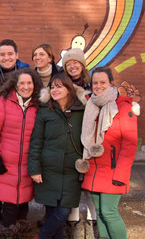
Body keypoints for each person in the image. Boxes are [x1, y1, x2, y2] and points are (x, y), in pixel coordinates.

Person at [77, 67, 138, 239]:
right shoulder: (92, 105)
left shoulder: (123, 108)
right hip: (93, 170)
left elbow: (130, 145)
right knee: (99, 213)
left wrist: (121, 173)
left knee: (109, 212)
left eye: (103, 82)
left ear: (111, 83)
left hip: (112, 172)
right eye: (95, 83)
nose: (98, 86)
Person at [28, 73, 87, 239]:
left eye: (59, 86)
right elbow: (36, 142)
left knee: (63, 212)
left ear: (68, 89)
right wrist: (34, 168)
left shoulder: (81, 111)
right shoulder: (45, 111)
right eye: (52, 87)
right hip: (48, 171)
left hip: (71, 171)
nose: (54, 90)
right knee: (54, 215)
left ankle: (40, 237)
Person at [0, 68, 42, 238]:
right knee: (9, 203)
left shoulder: (38, 105)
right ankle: (7, 232)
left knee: (24, 200)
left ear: (34, 84)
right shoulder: (3, 102)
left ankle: (21, 229)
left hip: (28, 163)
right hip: (6, 162)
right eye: (22, 83)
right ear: (15, 85)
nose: (26, 87)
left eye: (29, 83)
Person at [62, 47, 97, 238]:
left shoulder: (92, 84)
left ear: (82, 65)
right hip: (71, 138)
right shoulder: (62, 86)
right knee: (74, 182)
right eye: (68, 64)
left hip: (90, 138)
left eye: (75, 62)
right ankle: (74, 220)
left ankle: (93, 220)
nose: (72, 66)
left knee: (91, 184)